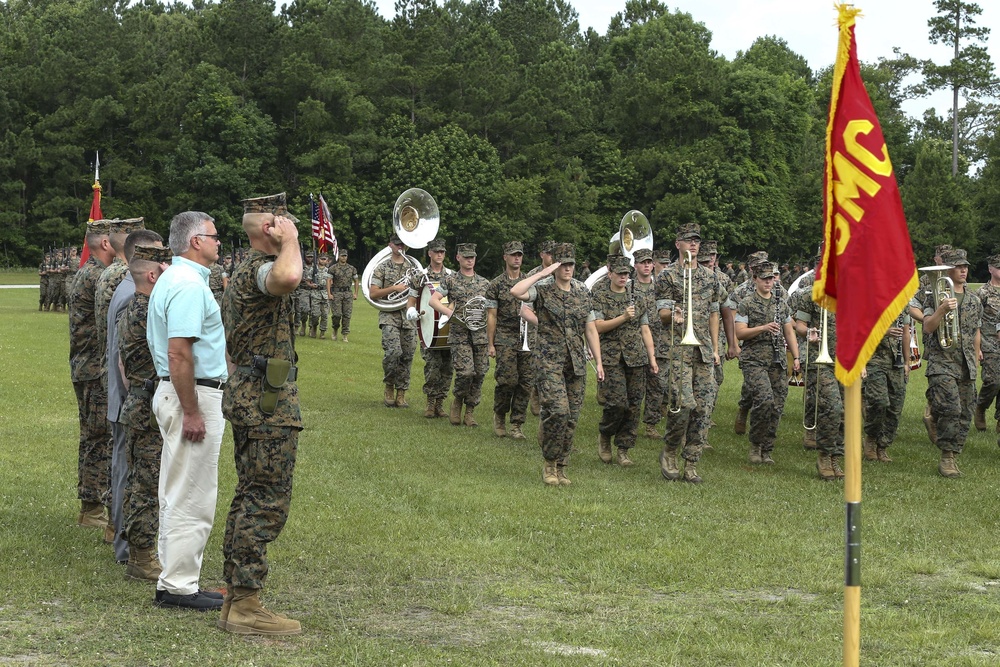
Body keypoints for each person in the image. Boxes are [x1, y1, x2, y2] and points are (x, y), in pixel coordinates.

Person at [219, 193, 303, 635]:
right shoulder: (260, 270)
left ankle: (235, 597)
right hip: (267, 404)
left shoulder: (241, 272)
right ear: (268, 229)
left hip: (253, 397)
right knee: (265, 501)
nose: (290, 226)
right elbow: (289, 276)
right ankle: (247, 606)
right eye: (283, 221)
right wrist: (290, 241)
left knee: (248, 496)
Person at [147, 211, 227, 611]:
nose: (219, 243)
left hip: (180, 392)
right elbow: (179, 352)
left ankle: (175, 579)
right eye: (214, 236)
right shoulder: (187, 285)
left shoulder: (175, 279)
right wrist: (193, 411)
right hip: (191, 395)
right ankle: (178, 585)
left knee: (179, 488)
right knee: (191, 494)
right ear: (196, 241)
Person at [512, 243, 603, 486]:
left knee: (571, 417)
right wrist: (541, 273)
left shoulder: (583, 291)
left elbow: (590, 328)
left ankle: (562, 466)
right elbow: (516, 291)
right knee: (559, 411)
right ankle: (549, 464)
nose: (567, 269)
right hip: (549, 361)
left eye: (571, 264)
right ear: (555, 266)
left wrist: (600, 361)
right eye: (562, 264)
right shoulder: (542, 289)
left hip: (575, 362)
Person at [106, 228, 162, 565]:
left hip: (127, 399)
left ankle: (123, 540)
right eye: (158, 254)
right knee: (130, 474)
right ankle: (127, 547)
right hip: (132, 398)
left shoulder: (125, 288)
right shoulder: (132, 294)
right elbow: (123, 358)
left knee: (126, 470)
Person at [118, 242, 173, 581]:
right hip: (149, 406)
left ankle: (138, 548)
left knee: (140, 479)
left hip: (137, 402)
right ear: (152, 274)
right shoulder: (148, 311)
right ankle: (141, 555)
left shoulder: (132, 308)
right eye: (165, 269)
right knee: (148, 484)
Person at [656, 223, 722, 483]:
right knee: (683, 405)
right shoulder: (667, 276)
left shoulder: (710, 276)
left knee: (704, 409)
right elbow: (661, 313)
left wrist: (716, 348)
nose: (693, 244)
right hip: (677, 349)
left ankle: (692, 461)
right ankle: (671, 450)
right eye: (688, 240)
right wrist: (673, 316)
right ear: (678, 244)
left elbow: (715, 312)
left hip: (704, 349)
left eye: (696, 240)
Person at [69, 220, 116, 531]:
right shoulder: (98, 276)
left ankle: (90, 506)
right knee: (101, 439)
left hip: (84, 366)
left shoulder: (86, 271)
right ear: (104, 244)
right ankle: (94, 507)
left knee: (92, 437)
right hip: (95, 369)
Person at [921, 248, 982, 478]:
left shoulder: (974, 300)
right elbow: (927, 327)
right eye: (958, 266)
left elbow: (976, 331)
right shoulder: (934, 296)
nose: (964, 270)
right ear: (949, 269)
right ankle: (946, 457)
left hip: (966, 363)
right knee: (951, 408)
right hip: (942, 360)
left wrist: (976, 355)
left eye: (965, 266)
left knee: (965, 412)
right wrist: (942, 308)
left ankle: (954, 453)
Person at [735, 261, 800, 466]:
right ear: (755, 279)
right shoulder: (747, 302)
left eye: (771, 278)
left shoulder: (781, 303)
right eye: (764, 279)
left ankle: (767, 448)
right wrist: (763, 328)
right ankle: (755, 444)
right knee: (763, 400)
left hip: (777, 360)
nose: (768, 282)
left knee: (777, 405)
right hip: (754, 359)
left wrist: (796, 358)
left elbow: (789, 330)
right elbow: (740, 332)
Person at [594, 255, 657, 466]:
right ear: (610, 273)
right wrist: (623, 317)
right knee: (617, 403)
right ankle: (605, 435)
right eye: (619, 273)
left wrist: (652, 358)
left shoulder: (636, 297)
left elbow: (645, 328)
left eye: (625, 274)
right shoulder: (600, 295)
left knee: (633, 406)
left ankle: (623, 449)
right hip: (611, 356)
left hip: (636, 357)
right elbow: (598, 327)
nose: (623, 277)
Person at [791, 268, 845, 480]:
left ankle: (835, 458)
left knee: (845, 413)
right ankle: (824, 455)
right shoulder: (810, 293)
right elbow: (800, 325)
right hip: (819, 361)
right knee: (832, 407)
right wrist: (808, 333)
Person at [428, 243, 491, 426]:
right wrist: (449, 313)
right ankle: (457, 401)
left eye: (472, 257)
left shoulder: (485, 283)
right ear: (458, 258)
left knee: (479, 373)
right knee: (465, 372)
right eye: (466, 257)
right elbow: (433, 301)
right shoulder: (451, 280)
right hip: (460, 335)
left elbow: (492, 310)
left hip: (480, 336)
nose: (469, 260)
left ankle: (470, 411)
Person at [485, 241, 533, 439]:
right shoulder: (495, 284)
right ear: (505, 256)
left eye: (519, 255)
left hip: (527, 337)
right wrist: (491, 343)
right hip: (505, 336)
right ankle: (500, 414)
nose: (517, 258)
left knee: (526, 382)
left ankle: (517, 423)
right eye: (513, 254)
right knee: (507, 380)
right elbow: (492, 315)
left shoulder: (530, 281)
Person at [910, 244, 952, 444]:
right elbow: (912, 306)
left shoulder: (956, 278)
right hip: (934, 337)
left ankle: (939, 416)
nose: (945, 259)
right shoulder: (926, 279)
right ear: (935, 258)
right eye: (942, 255)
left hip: (954, 337)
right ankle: (932, 413)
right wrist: (928, 319)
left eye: (949, 256)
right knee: (938, 378)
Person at [406, 238, 452, 417]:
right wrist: (411, 310)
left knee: (447, 368)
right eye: (437, 251)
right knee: (433, 367)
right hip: (428, 330)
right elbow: (412, 300)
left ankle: (440, 404)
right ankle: (430, 403)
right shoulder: (420, 277)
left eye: (442, 252)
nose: (440, 255)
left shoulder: (452, 276)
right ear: (430, 253)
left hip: (448, 329)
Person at [370, 233, 417, 408]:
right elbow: (374, 293)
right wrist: (394, 288)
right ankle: (389, 385)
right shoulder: (381, 267)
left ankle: (401, 393)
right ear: (390, 244)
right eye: (397, 244)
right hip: (389, 316)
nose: (400, 247)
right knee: (393, 352)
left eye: (403, 244)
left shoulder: (412, 266)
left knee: (408, 355)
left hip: (409, 316)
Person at [861, 308, 911, 464]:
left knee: (895, 407)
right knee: (879, 401)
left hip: (895, 362)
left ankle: (882, 446)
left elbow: (906, 333)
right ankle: (871, 438)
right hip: (874, 360)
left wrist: (907, 361)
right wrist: (885, 331)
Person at [631, 248, 666, 439]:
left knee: (657, 384)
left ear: (653, 265)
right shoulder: (628, 287)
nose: (646, 265)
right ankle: (631, 423)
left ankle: (651, 424)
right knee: (635, 387)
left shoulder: (659, 287)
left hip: (658, 339)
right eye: (642, 262)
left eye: (649, 262)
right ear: (635, 265)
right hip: (634, 341)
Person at [974, 254, 1000, 432]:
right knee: (993, 381)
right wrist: (978, 347)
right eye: (998, 267)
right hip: (989, 343)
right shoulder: (983, 292)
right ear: (990, 269)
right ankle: (981, 407)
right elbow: (975, 320)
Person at [328, 249, 359, 342]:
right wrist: (329, 293)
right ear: (339, 257)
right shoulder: (333, 268)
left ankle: (345, 334)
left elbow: (356, 281)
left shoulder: (352, 268)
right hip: (336, 293)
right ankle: (335, 329)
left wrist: (356, 293)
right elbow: (328, 281)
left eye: (345, 256)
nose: (344, 257)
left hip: (347, 293)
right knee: (337, 314)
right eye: (342, 256)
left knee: (347, 315)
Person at [294, 251, 314, 337]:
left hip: (314, 291)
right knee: (304, 310)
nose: (310, 258)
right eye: (308, 257)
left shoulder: (316, 267)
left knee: (313, 311)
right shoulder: (300, 266)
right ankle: (303, 324)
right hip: (303, 290)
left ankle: (311, 328)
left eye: (311, 257)